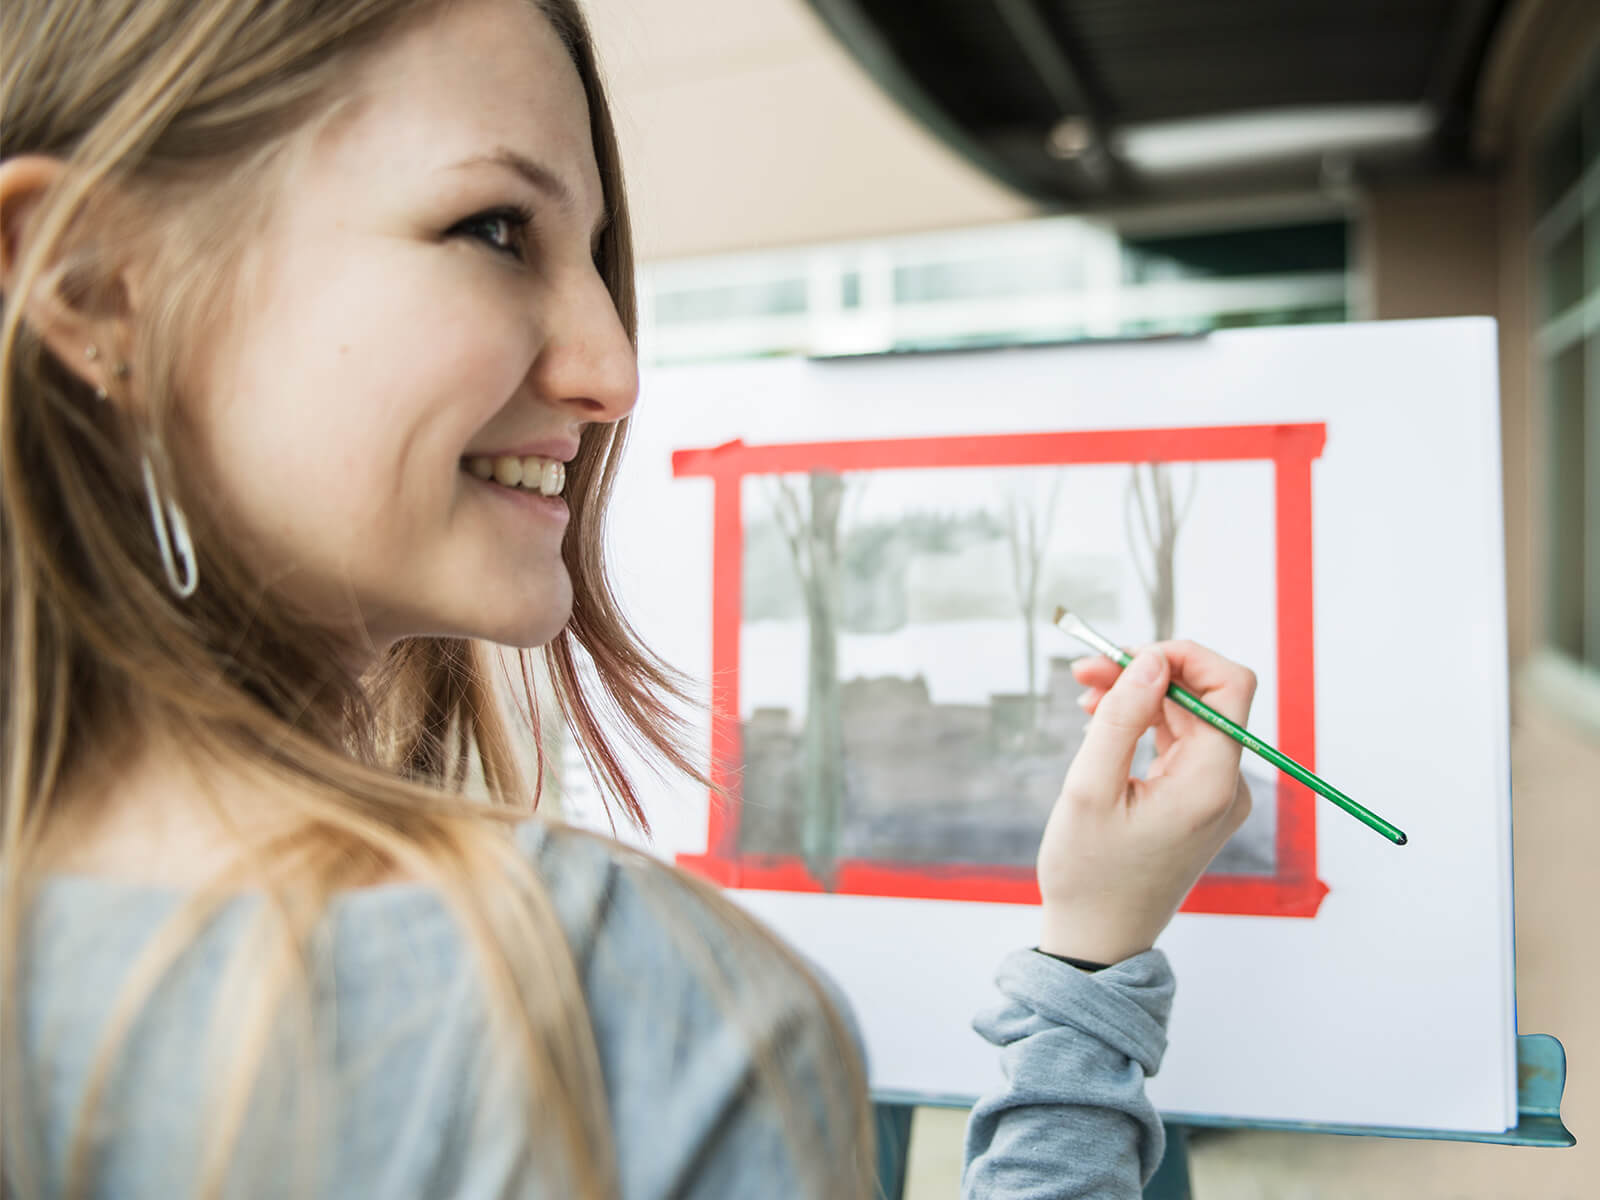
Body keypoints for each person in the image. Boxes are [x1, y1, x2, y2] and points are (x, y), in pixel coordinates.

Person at [0, 0, 1256, 1196]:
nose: (613, 369)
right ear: (99, 287)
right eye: (494, 229)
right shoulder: (610, 1009)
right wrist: (1089, 982)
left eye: (595, 257)